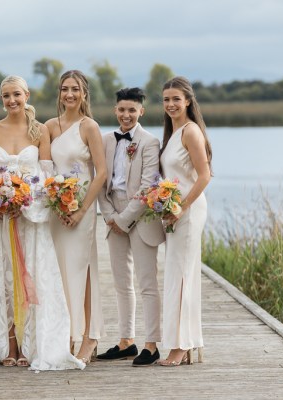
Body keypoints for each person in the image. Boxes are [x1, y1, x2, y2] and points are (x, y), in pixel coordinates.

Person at [0, 75, 84, 371]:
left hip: (29, 219)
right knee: (3, 279)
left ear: (27, 95)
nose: (12, 100)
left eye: (17, 95)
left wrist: (23, 201)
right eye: (6, 96)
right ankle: (8, 345)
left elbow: (46, 177)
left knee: (29, 278)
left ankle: (30, 345)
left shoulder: (40, 131)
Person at [97, 87, 166, 366]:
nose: (126, 115)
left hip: (142, 215)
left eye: (132, 110)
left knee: (147, 282)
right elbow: (101, 181)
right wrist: (110, 216)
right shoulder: (105, 140)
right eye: (122, 110)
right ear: (115, 111)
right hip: (113, 214)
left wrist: (124, 219)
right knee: (121, 282)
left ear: (141, 112)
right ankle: (126, 341)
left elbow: (150, 186)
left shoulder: (150, 142)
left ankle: (152, 344)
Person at [44, 70, 106, 365]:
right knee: (59, 272)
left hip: (82, 210)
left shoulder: (89, 127)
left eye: (76, 89)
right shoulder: (50, 126)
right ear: (59, 93)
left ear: (84, 94)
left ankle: (89, 337)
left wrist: (81, 209)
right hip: (57, 211)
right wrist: (56, 203)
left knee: (81, 271)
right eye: (65, 89)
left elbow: (101, 172)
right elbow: (45, 169)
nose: (70, 94)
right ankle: (64, 335)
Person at [157, 76, 212, 366]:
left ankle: (180, 347)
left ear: (188, 100)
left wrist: (181, 207)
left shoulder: (191, 132)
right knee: (178, 275)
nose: (171, 104)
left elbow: (205, 175)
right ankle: (184, 343)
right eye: (166, 99)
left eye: (176, 99)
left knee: (182, 276)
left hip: (188, 211)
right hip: (175, 210)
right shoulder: (173, 132)